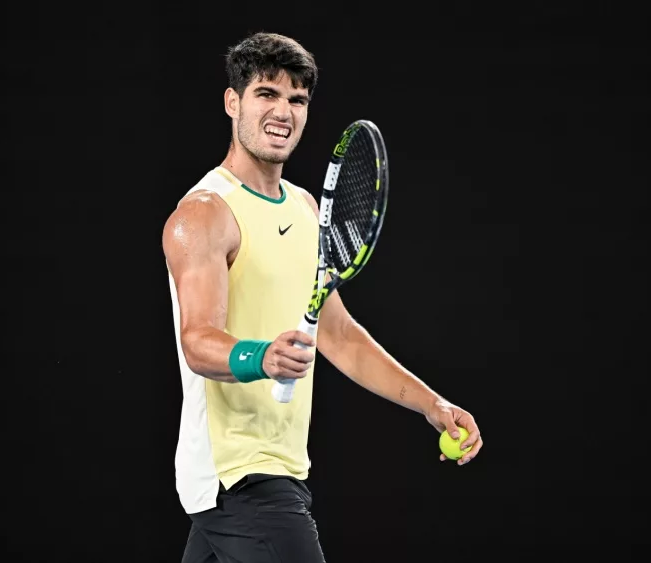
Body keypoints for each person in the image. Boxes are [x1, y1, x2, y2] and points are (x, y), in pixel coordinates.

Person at [162, 31, 482, 563]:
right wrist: (261, 356)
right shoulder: (204, 214)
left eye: (297, 99)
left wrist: (433, 404)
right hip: (239, 476)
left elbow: (340, 337)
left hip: (277, 466)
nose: (283, 111)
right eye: (267, 93)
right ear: (232, 101)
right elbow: (197, 342)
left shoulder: (307, 210)